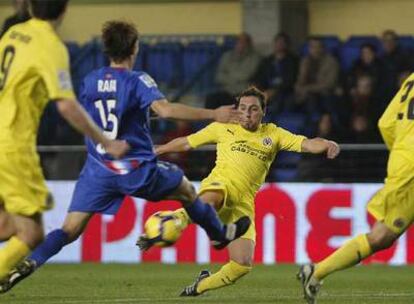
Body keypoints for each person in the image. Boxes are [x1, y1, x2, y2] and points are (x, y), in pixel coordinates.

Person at [0, 19, 251, 293]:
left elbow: (99, 112)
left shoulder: (89, 80)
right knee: (187, 191)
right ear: (135, 47)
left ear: (107, 49)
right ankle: (219, 235)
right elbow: (165, 111)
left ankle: (30, 264)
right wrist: (214, 114)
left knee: (69, 230)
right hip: (135, 169)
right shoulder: (138, 80)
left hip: (98, 171)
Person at [141, 86, 340, 297]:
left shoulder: (273, 134)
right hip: (220, 184)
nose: (247, 113)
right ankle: (172, 221)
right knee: (211, 200)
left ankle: (200, 286)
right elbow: (188, 143)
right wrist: (159, 150)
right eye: (243, 108)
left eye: (253, 109)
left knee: (242, 265)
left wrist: (327, 143)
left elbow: (308, 144)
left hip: (243, 204)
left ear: (263, 112)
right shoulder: (223, 127)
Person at [0, 0, 129, 285]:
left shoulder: (12, 33)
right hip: (12, 145)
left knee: (7, 224)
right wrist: (106, 142)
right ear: (64, 10)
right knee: (31, 234)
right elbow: (66, 106)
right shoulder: (51, 46)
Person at [298, 72, 414, 303]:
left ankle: (317, 271)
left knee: (383, 237)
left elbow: (386, 123)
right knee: (382, 236)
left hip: (405, 161)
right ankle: (317, 271)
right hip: (410, 168)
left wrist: (401, 150)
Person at [205, 33, 261, 109]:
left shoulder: (255, 58)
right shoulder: (227, 56)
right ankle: (210, 120)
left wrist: (228, 76)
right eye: (238, 42)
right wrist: (234, 79)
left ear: (249, 44)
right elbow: (219, 76)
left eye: (243, 42)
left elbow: (246, 75)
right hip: (227, 91)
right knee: (211, 99)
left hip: (243, 93)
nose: (240, 45)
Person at [253, 32, 299, 115]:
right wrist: (258, 89)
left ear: (287, 45)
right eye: (277, 42)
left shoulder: (293, 61)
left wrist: (274, 91)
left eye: (282, 43)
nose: (279, 45)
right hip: (266, 90)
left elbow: (291, 80)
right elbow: (259, 77)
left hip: (284, 91)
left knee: (279, 102)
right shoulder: (267, 61)